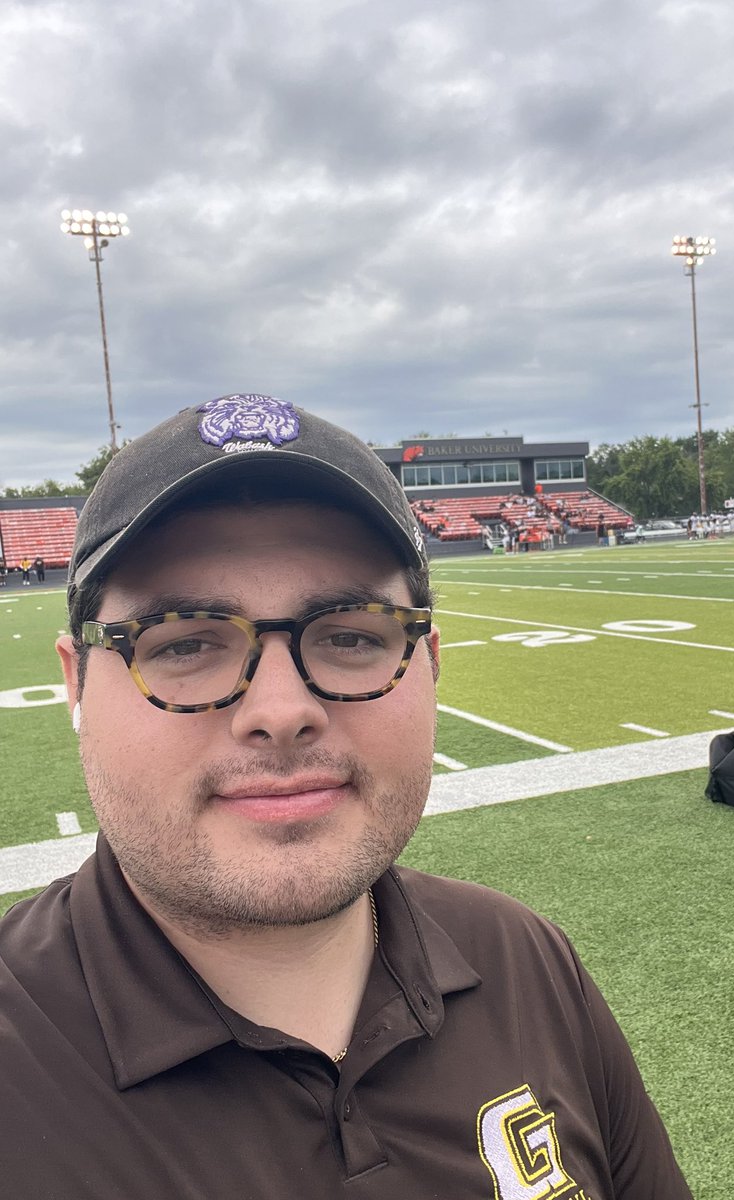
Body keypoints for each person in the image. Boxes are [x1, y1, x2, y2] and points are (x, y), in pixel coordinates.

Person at [0, 394, 692, 1199]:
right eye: (185, 641)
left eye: (353, 633)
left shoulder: (526, 961)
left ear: (430, 663)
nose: (283, 712)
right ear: (77, 683)